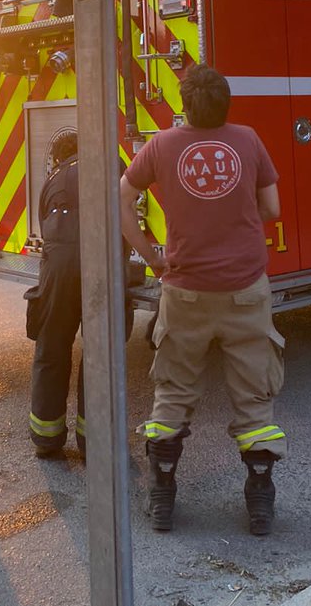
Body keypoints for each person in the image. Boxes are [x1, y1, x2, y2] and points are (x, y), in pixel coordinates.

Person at [120, 66, 287, 536]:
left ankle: (163, 496)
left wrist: (150, 254)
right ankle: (259, 500)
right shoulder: (250, 140)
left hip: (185, 290)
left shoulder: (162, 145)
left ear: (185, 105)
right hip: (245, 291)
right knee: (254, 397)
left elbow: (122, 197)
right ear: (226, 103)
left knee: (173, 393)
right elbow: (272, 209)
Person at [25, 130, 84, 456]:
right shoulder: (109, 165)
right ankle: (95, 441)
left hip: (57, 274)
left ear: (59, 156)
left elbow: (44, 227)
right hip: (99, 267)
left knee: (51, 351)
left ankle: (46, 440)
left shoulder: (52, 179)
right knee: (100, 356)